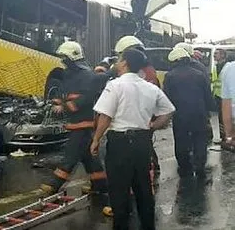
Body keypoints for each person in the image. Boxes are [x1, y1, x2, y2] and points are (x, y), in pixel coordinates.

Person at [91, 48, 176, 230]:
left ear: (124, 63)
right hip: (142, 142)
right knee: (143, 189)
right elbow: (168, 110)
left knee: (119, 191)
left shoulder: (115, 85)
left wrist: (96, 139)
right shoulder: (150, 87)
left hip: (120, 143)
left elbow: (105, 116)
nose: (117, 62)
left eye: (120, 59)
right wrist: (152, 125)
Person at [40, 42, 108, 197]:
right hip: (75, 122)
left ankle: (54, 185)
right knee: (88, 157)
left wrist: (65, 106)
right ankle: (101, 184)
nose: (63, 61)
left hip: (83, 123)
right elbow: (63, 93)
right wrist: (56, 103)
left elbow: (86, 98)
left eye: (65, 57)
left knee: (70, 155)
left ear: (72, 57)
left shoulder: (87, 75)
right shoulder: (69, 74)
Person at [113, 36, 161, 179]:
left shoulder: (140, 72)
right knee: (144, 142)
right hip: (146, 112)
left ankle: (146, 172)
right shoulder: (148, 69)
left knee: (140, 144)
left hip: (140, 113)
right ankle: (152, 167)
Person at [163, 47, 214, 177]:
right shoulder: (199, 74)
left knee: (181, 139)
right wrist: (210, 110)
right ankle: (200, 164)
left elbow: (166, 98)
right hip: (199, 113)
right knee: (200, 139)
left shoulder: (170, 76)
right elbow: (207, 96)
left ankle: (185, 166)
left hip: (180, 114)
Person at [174, 42, 214, 142]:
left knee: (183, 139)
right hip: (199, 110)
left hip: (181, 111)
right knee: (199, 140)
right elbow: (206, 89)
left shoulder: (176, 68)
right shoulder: (200, 67)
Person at [212, 48, 228, 141]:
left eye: (216, 53)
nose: (214, 55)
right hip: (218, 97)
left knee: (226, 118)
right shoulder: (215, 67)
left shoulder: (227, 67)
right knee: (220, 119)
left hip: (227, 97)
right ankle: (223, 138)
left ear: (222, 55)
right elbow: (215, 83)